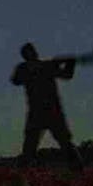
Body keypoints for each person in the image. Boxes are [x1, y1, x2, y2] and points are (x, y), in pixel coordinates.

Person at [10, 42, 84, 171]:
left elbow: (67, 75)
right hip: (38, 112)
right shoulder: (28, 68)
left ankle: (77, 170)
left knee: (65, 144)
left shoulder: (46, 66)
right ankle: (20, 173)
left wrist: (70, 63)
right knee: (29, 148)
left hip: (52, 111)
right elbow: (15, 80)